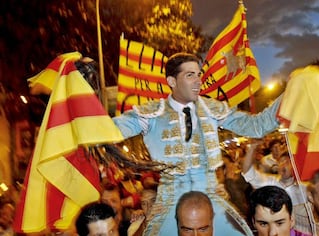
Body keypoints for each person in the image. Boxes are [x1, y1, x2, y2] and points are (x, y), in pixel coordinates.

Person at [112, 53, 282, 235]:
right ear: (172, 81)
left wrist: (293, 93)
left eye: (198, 74)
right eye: (190, 75)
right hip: (170, 203)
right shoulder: (152, 113)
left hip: (210, 198)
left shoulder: (212, 108)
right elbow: (107, 130)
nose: (198, 81)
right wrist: (82, 86)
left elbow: (256, 126)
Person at [242, 141, 306, 206]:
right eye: (281, 162)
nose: (283, 165)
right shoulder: (269, 181)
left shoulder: (304, 188)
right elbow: (248, 172)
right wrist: (252, 147)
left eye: (287, 162)